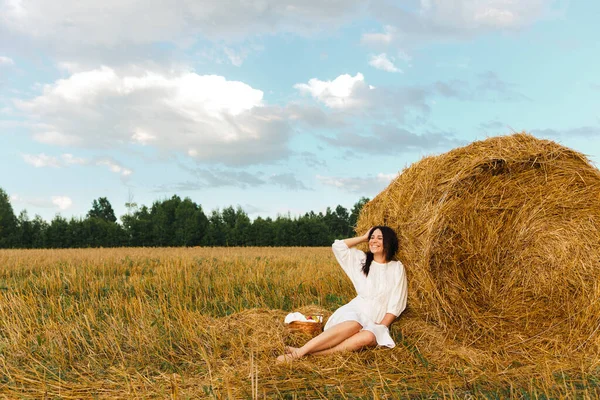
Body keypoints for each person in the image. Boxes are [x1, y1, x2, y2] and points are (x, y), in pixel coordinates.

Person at [277, 226, 407, 362]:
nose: (374, 241)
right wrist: (363, 237)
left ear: (389, 242)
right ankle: (297, 355)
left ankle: (308, 353)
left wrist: (381, 326)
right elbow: (338, 246)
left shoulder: (397, 268)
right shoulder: (362, 260)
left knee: (368, 337)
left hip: (377, 319)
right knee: (354, 324)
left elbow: (396, 303)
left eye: (379, 238)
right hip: (356, 311)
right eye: (372, 237)